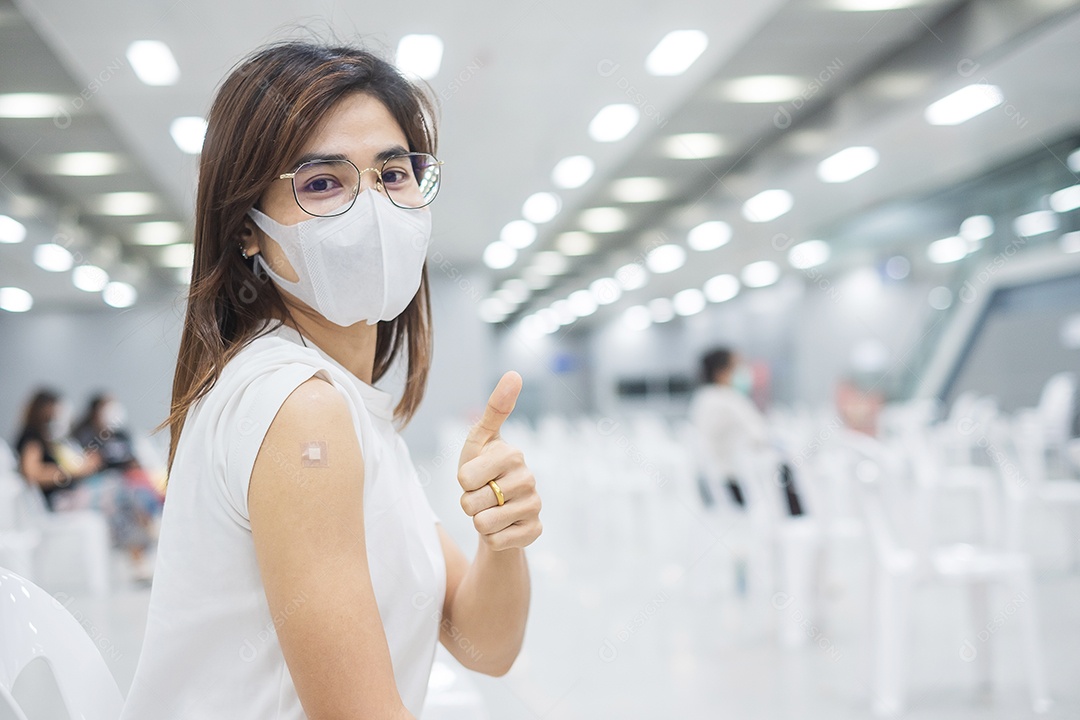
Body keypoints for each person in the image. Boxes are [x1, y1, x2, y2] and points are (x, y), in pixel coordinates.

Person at [120, 41, 543, 720]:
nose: (372, 211)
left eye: (393, 173)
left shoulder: (343, 402)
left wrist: (501, 540)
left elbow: (482, 643)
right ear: (248, 232)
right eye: (323, 183)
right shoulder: (299, 410)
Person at [690, 348, 803, 515]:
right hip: (738, 485)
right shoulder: (726, 401)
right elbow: (761, 438)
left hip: (720, 484)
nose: (744, 370)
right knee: (799, 483)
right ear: (721, 372)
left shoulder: (704, 398)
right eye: (738, 366)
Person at [14, 389, 102, 508]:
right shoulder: (32, 438)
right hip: (55, 500)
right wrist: (72, 472)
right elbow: (32, 474)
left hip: (67, 494)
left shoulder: (47, 439)